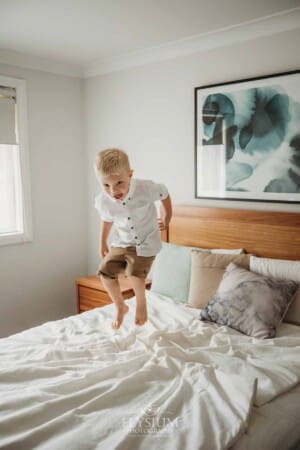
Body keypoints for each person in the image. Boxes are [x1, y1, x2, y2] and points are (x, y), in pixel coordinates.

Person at [94, 148, 172, 329]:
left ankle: (141, 303)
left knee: (134, 274)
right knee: (104, 271)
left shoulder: (146, 189)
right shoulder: (104, 200)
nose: (113, 190)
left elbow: (164, 193)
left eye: (119, 183)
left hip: (146, 242)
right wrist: (102, 242)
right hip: (122, 242)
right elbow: (106, 220)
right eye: (106, 185)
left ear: (130, 174)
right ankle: (120, 306)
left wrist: (167, 216)